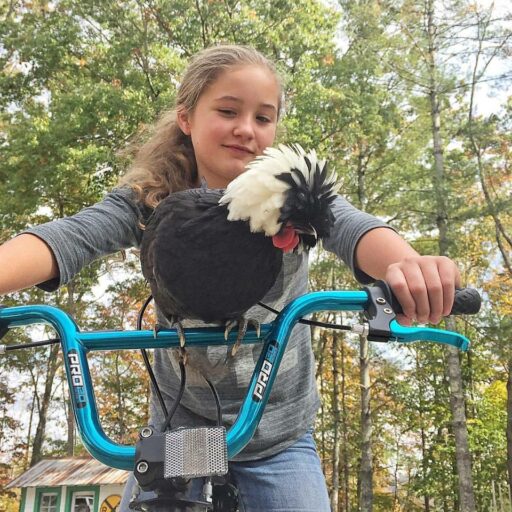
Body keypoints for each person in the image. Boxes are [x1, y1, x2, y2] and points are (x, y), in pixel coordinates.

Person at [0, 44, 460, 511]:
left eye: (264, 118)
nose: (246, 129)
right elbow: (68, 238)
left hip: (276, 439)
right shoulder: (153, 199)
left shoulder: (294, 198)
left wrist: (410, 265)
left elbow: (353, 227)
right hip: (181, 431)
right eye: (227, 111)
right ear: (187, 118)